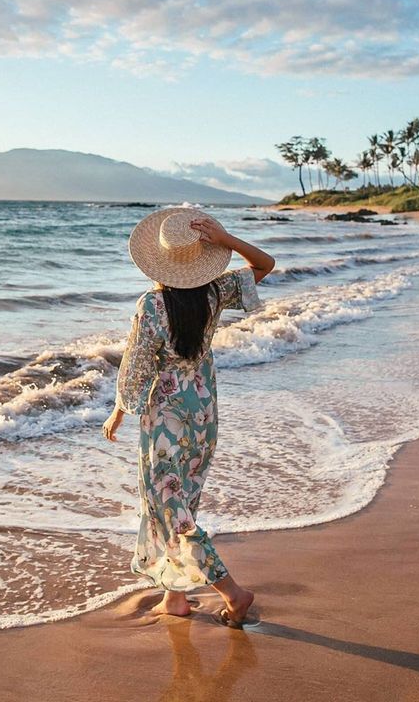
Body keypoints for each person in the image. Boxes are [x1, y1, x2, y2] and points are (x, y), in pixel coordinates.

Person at [102, 207, 275, 627]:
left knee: (169, 509)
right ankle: (175, 598)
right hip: (203, 412)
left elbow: (137, 367)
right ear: (200, 258)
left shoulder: (151, 305)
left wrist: (119, 410)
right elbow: (265, 265)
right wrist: (227, 240)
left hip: (166, 419)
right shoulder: (215, 293)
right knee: (179, 504)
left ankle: (233, 593)